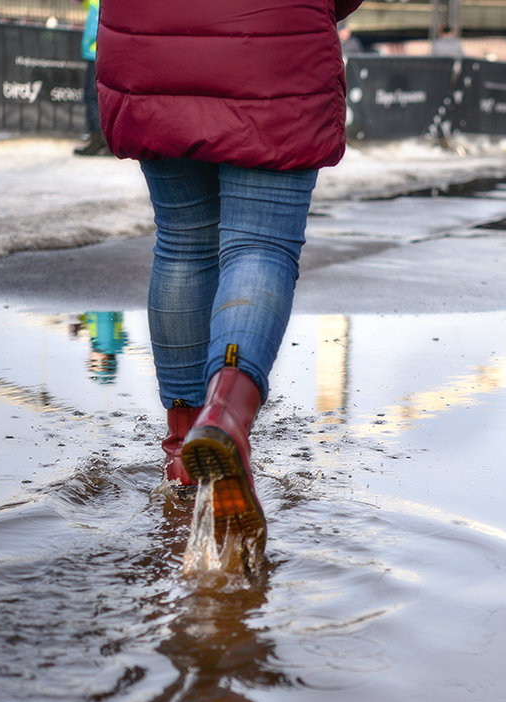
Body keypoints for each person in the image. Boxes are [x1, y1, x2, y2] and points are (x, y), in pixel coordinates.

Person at [95, 0, 363, 568]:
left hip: (151, 36)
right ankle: (227, 417)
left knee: (183, 244)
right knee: (260, 244)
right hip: (270, 39)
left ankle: (183, 453)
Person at [72, 0, 109, 157]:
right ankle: (98, 137)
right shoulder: (94, 2)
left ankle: (100, 138)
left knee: (93, 97)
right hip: (95, 54)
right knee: (94, 97)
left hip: (99, 54)